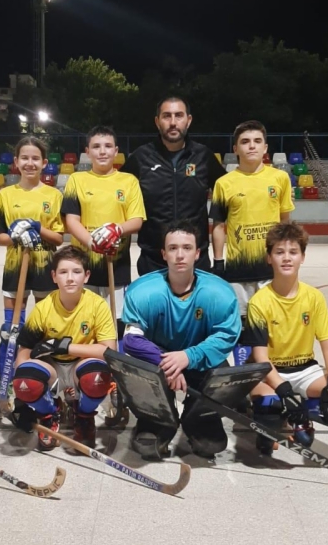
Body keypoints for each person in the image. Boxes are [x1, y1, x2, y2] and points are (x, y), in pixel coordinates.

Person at [242, 222, 328, 455]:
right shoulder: (259, 302)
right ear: (269, 258)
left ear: (302, 257)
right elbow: (260, 358)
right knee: (270, 412)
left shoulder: (314, 297)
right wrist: (284, 391)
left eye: (293, 252)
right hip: (269, 373)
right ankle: (272, 419)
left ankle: (301, 418)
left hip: (305, 370)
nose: (286, 258)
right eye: (279, 252)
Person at [121, 219, 241, 460]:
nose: (179, 255)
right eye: (173, 248)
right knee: (138, 371)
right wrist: (168, 363)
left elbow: (226, 337)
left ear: (197, 253)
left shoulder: (220, 292)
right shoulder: (142, 291)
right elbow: (132, 340)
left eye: (187, 248)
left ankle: (198, 418)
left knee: (212, 442)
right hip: (157, 362)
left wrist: (187, 357)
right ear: (163, 254)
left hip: (199, 358)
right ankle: (157, 419)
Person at [11, 245, 117, 451]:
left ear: (86, 276)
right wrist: (22, 392)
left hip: (81, 366)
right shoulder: (42, 308)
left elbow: (107, 351)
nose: (70, 278)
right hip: (53, 369)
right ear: (54, 276)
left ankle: (84, 415)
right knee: (26, 379)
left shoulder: (97, 305)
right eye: (63, 272)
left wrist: (65, 347)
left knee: (96, 378)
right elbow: (23, 352)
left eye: (76, 272)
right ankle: (48, 413)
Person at [210, 120, 294, 362]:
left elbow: (285, 222)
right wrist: (218, 262)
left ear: (265, 147)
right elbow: (218, 226)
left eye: (257, 141)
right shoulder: (224, 183)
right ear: (235, 149)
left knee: (273, 323)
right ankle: (244, 372)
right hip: (238, 271)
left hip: (270, 268)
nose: (251, 146)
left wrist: (285, 256)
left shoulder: (280, 178)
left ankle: (274, 369)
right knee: (242, 327)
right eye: (245, 142)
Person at [123, 97, 226, 275]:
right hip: (152, 261)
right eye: (166, 116)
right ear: (157, 122)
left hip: (196, 260)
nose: (172, 122)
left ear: (189, 120)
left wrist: (219, 262)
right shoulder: (141, 158)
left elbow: (229, 194)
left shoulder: (203, 157)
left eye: (178, 115)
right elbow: (117, 194)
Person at [0, 135, 64, 376]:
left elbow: (58, 238)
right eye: (24, 158)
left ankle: (41, 375)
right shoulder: (5, 195)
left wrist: (36, 227)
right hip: (15, 268)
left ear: (44, 163)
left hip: (45, 267)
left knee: (44, 327)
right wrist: (16, 235)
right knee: (11, 328)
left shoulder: (54, 195)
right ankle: (8, 377)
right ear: (16, 161)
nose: (30, 163)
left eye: (35, 158)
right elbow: (0, 238)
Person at [61, 125, 145, 314]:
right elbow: (72, 221)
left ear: (116, 151)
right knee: (85, 320)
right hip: (81, 265)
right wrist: (92, 242)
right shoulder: (76, 180)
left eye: (108, 146)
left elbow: (137, 220)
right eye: (96, 146)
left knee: (116, 320)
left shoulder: (129, 181)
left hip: (117, 265)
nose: (102, 151)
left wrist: (117, 230)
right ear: (87, 152)